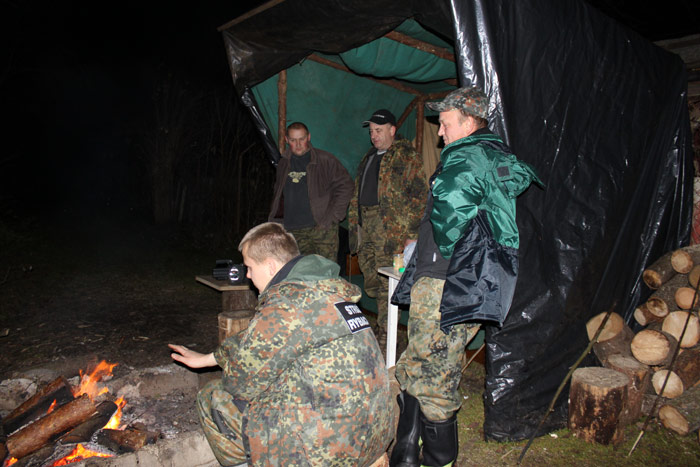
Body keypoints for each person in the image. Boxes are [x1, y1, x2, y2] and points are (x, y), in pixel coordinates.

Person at [389, 87, 542, 467]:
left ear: (469, 122)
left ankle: (438, 459)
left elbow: (451, 214)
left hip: (447, 280)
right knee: (419, 362)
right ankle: (406, 452)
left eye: (445, 123)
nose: (440, 132)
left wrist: (438, 248)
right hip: (463, 278)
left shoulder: (466, 155)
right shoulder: (490, 156)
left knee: (435, 374)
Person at [169, 222, 393, 466]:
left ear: (270, 266)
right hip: (374, 434)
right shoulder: (325, 290)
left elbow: (239, 384)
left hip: (331, 453)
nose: (247, 275)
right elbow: (259, 338)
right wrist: (209, 358)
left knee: (214, 397)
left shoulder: (286, 304)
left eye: (249, 267)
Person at [347, 109, 428, 348]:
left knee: (387, 280)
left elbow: (419, 196)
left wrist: (411, 234)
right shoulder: (369, 156)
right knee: (371, 275)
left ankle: (386, 331)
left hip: (390, 229)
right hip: (366, 224)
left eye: (379, 130)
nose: (374, 135)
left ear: (392, 130)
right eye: (372, 131)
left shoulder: (405, 155)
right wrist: (355, 223)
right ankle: (384, 322)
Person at [268, 122, 354, 262]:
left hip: (321, 229)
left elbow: (346, 185)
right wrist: (277, 221)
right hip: (293, 231)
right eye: (293, 140)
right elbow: (279, 194)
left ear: (308, 137)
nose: (298, 144)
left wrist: (333, 217)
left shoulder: (325, 160)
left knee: (326, 271)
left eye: (302, 139)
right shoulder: (283, 163)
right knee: (300, 272)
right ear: (286, 140)